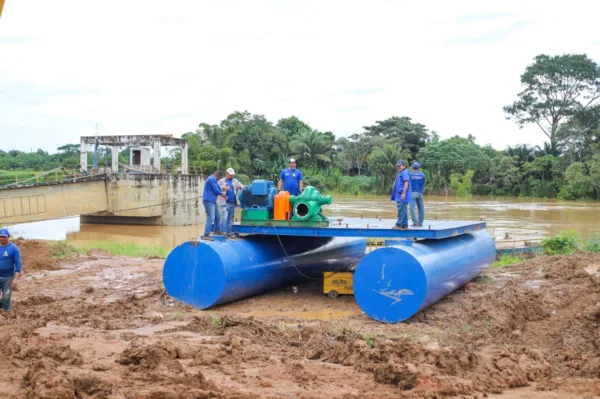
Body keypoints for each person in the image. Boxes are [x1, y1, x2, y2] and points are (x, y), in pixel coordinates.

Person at [0, 228, 22, 311]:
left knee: (6, 297)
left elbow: (18, 264)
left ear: (8, 237)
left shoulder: (14, 248)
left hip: (8, 277)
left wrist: (15, 279)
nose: (2, 238)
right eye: (1, 236)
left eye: (4, 237)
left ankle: (7, 311)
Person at [218, 168, 243, 236]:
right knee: (225, 217)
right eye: (230, 175)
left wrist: (239, 186)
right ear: (227, 174)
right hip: (224, 202)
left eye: (232, 175)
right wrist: (223, 187)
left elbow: (242, 186)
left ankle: (229, 232)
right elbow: (216, 187)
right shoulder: (221, 181)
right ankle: (223, 231)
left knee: (230, 218)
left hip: (233, 202)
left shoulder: (235, 181)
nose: (232, 176)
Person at [202, 170, 227, 240]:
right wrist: (223, 194)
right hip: (208, 201)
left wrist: (222, 192)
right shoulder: (212, 179)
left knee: (218, 216)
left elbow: (218, 188)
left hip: (213, 201)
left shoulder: (213, 179)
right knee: (211, 217)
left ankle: (217, 231)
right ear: (217, 175)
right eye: (219, 178)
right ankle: (206, 235)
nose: (219, 179)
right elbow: (216, 190)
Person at [390, 160, 412, 230]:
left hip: (402, 195)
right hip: (400, 195)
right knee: (404, 210)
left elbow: (406, 183)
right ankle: (405, 225)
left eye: (400, 166)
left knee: (400, 210)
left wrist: (403, 193)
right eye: (397, 166)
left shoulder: (404, 173)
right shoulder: (401, 172)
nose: (398, 167)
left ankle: (399, 225)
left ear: (404, 165)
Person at [410, 162, 426, 227]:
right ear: (419, 168)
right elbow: (424, 183)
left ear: (412, 168)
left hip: (413, 193)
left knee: (412, 208)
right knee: (421, 208)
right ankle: (420, 222)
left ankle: (415, 223)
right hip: (420, 193)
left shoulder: (410, 174)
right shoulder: (422, 175)